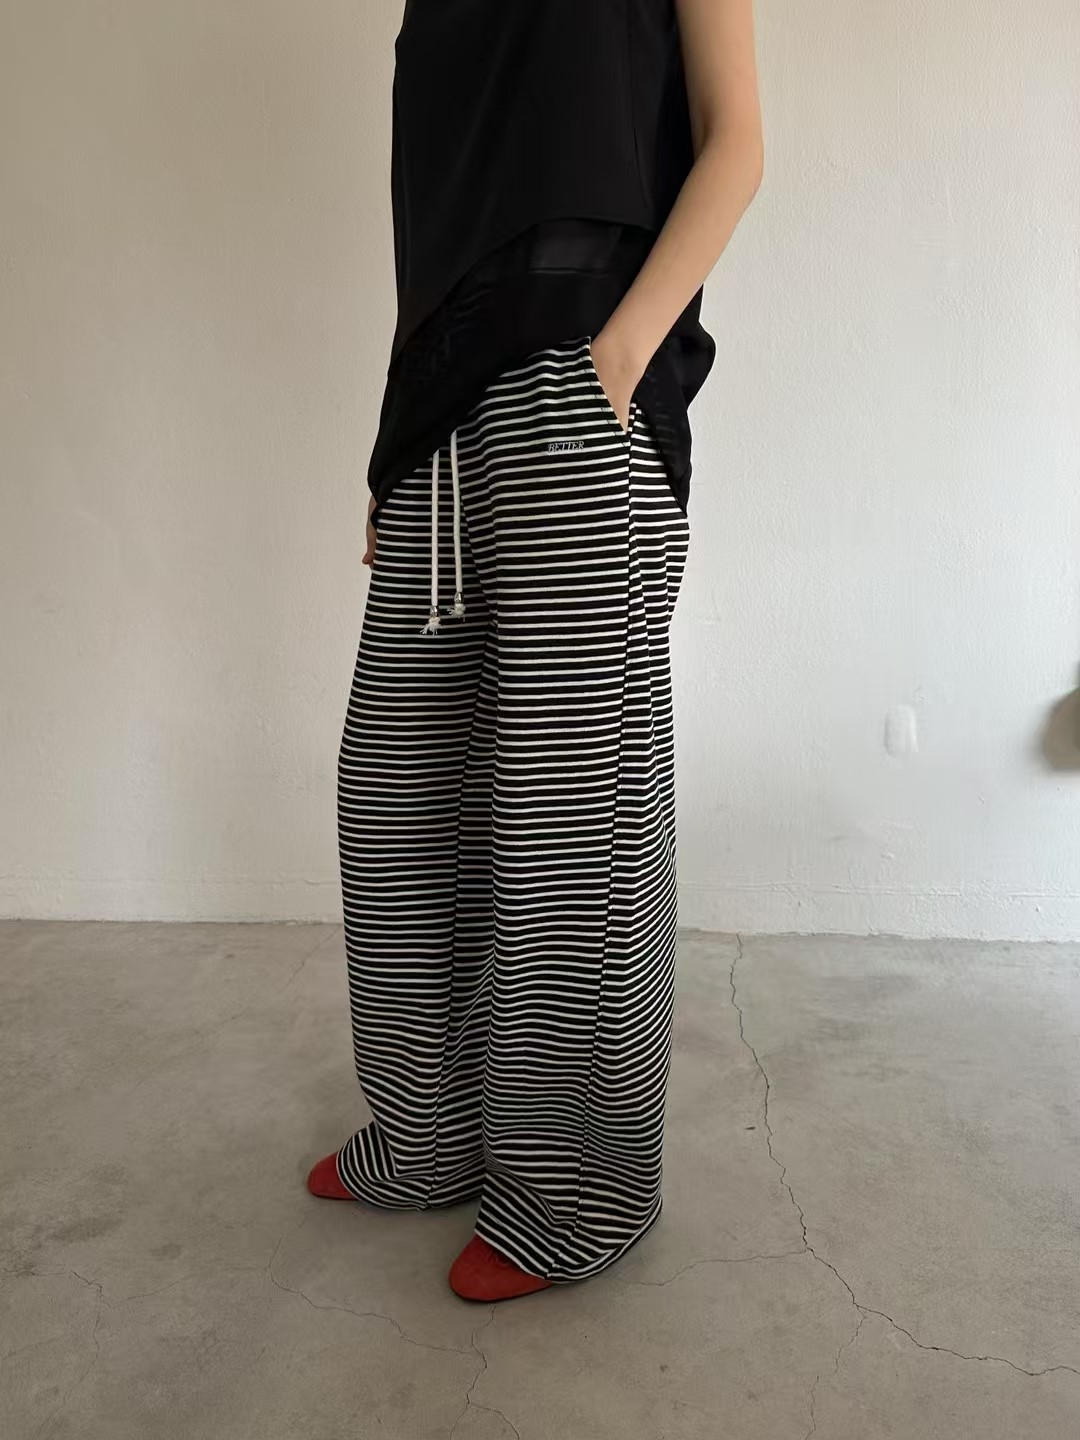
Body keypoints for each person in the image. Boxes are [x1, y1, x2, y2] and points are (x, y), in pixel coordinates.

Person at [308, 0, 764, 1303]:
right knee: (396, 790)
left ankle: (578, 1194)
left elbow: (737, 140)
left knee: (571, 817)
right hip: (438, 416)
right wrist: (395, 446)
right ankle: (429, 1132)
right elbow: (437, 234)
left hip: (580, 386)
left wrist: (619, 353)